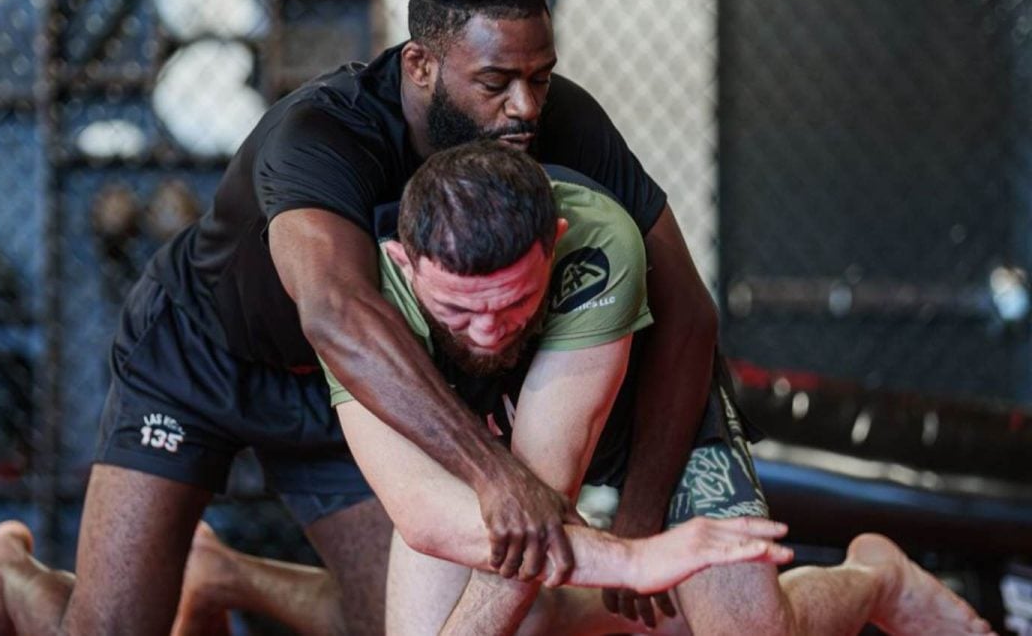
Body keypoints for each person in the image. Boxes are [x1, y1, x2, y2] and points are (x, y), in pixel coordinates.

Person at [173, 143, 994, 636]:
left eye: (516, 302)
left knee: (749, 631)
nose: (490, 331)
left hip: (641, 421)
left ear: (555, 245)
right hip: (474, 436)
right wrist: (637, 561)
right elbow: (428, 514)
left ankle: (877, 575)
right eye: (460, 310)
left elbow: (540, 493)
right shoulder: (362, 305)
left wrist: (642, 539)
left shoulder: (601, 245)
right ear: (401, 265)